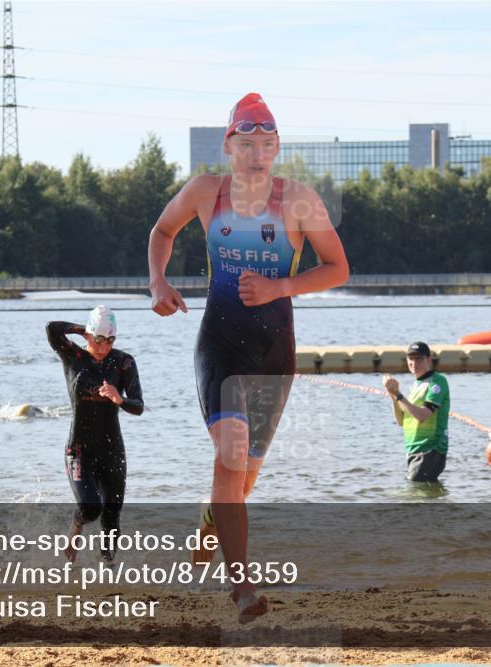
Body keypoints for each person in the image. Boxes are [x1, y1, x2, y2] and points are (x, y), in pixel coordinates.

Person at [147, 93, 349, 623]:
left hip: (274, 353)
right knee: (230, 453)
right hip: (220, 343)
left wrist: (281, 284)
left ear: (277, 147)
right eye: (246, 143)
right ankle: (242, 590)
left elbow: (337, 269)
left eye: (266, 144)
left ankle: (212, 520)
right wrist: (158, 280)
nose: (257, 154)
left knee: (244, 477)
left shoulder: (300, 200)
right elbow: (161, 232)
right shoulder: (204, 192)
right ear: (228, 146)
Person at [46, 305, 144, 564]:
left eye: (110, 340)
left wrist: (119, 399)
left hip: (112, 450)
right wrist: (84, 330)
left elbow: (139, 406)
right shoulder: (73, 356)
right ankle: (75, 529)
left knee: (111, 516)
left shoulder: (124, 362)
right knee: (90, 508)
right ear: (89, 336)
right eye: (99, 339)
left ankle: (108, 571)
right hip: (79, 450)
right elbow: (52, 328)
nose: (104, 347)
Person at [382, 342, 451, 483]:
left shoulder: (437, 382)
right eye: (410, 359)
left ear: (429, 360)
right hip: (413, 449)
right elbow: (401, 421)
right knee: (420, 497)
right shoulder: (414, 385)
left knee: (415, 495)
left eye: (419, 359)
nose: (414, 363)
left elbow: (422, 416)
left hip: (429, 449)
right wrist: (392, 394)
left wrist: (399, 395)